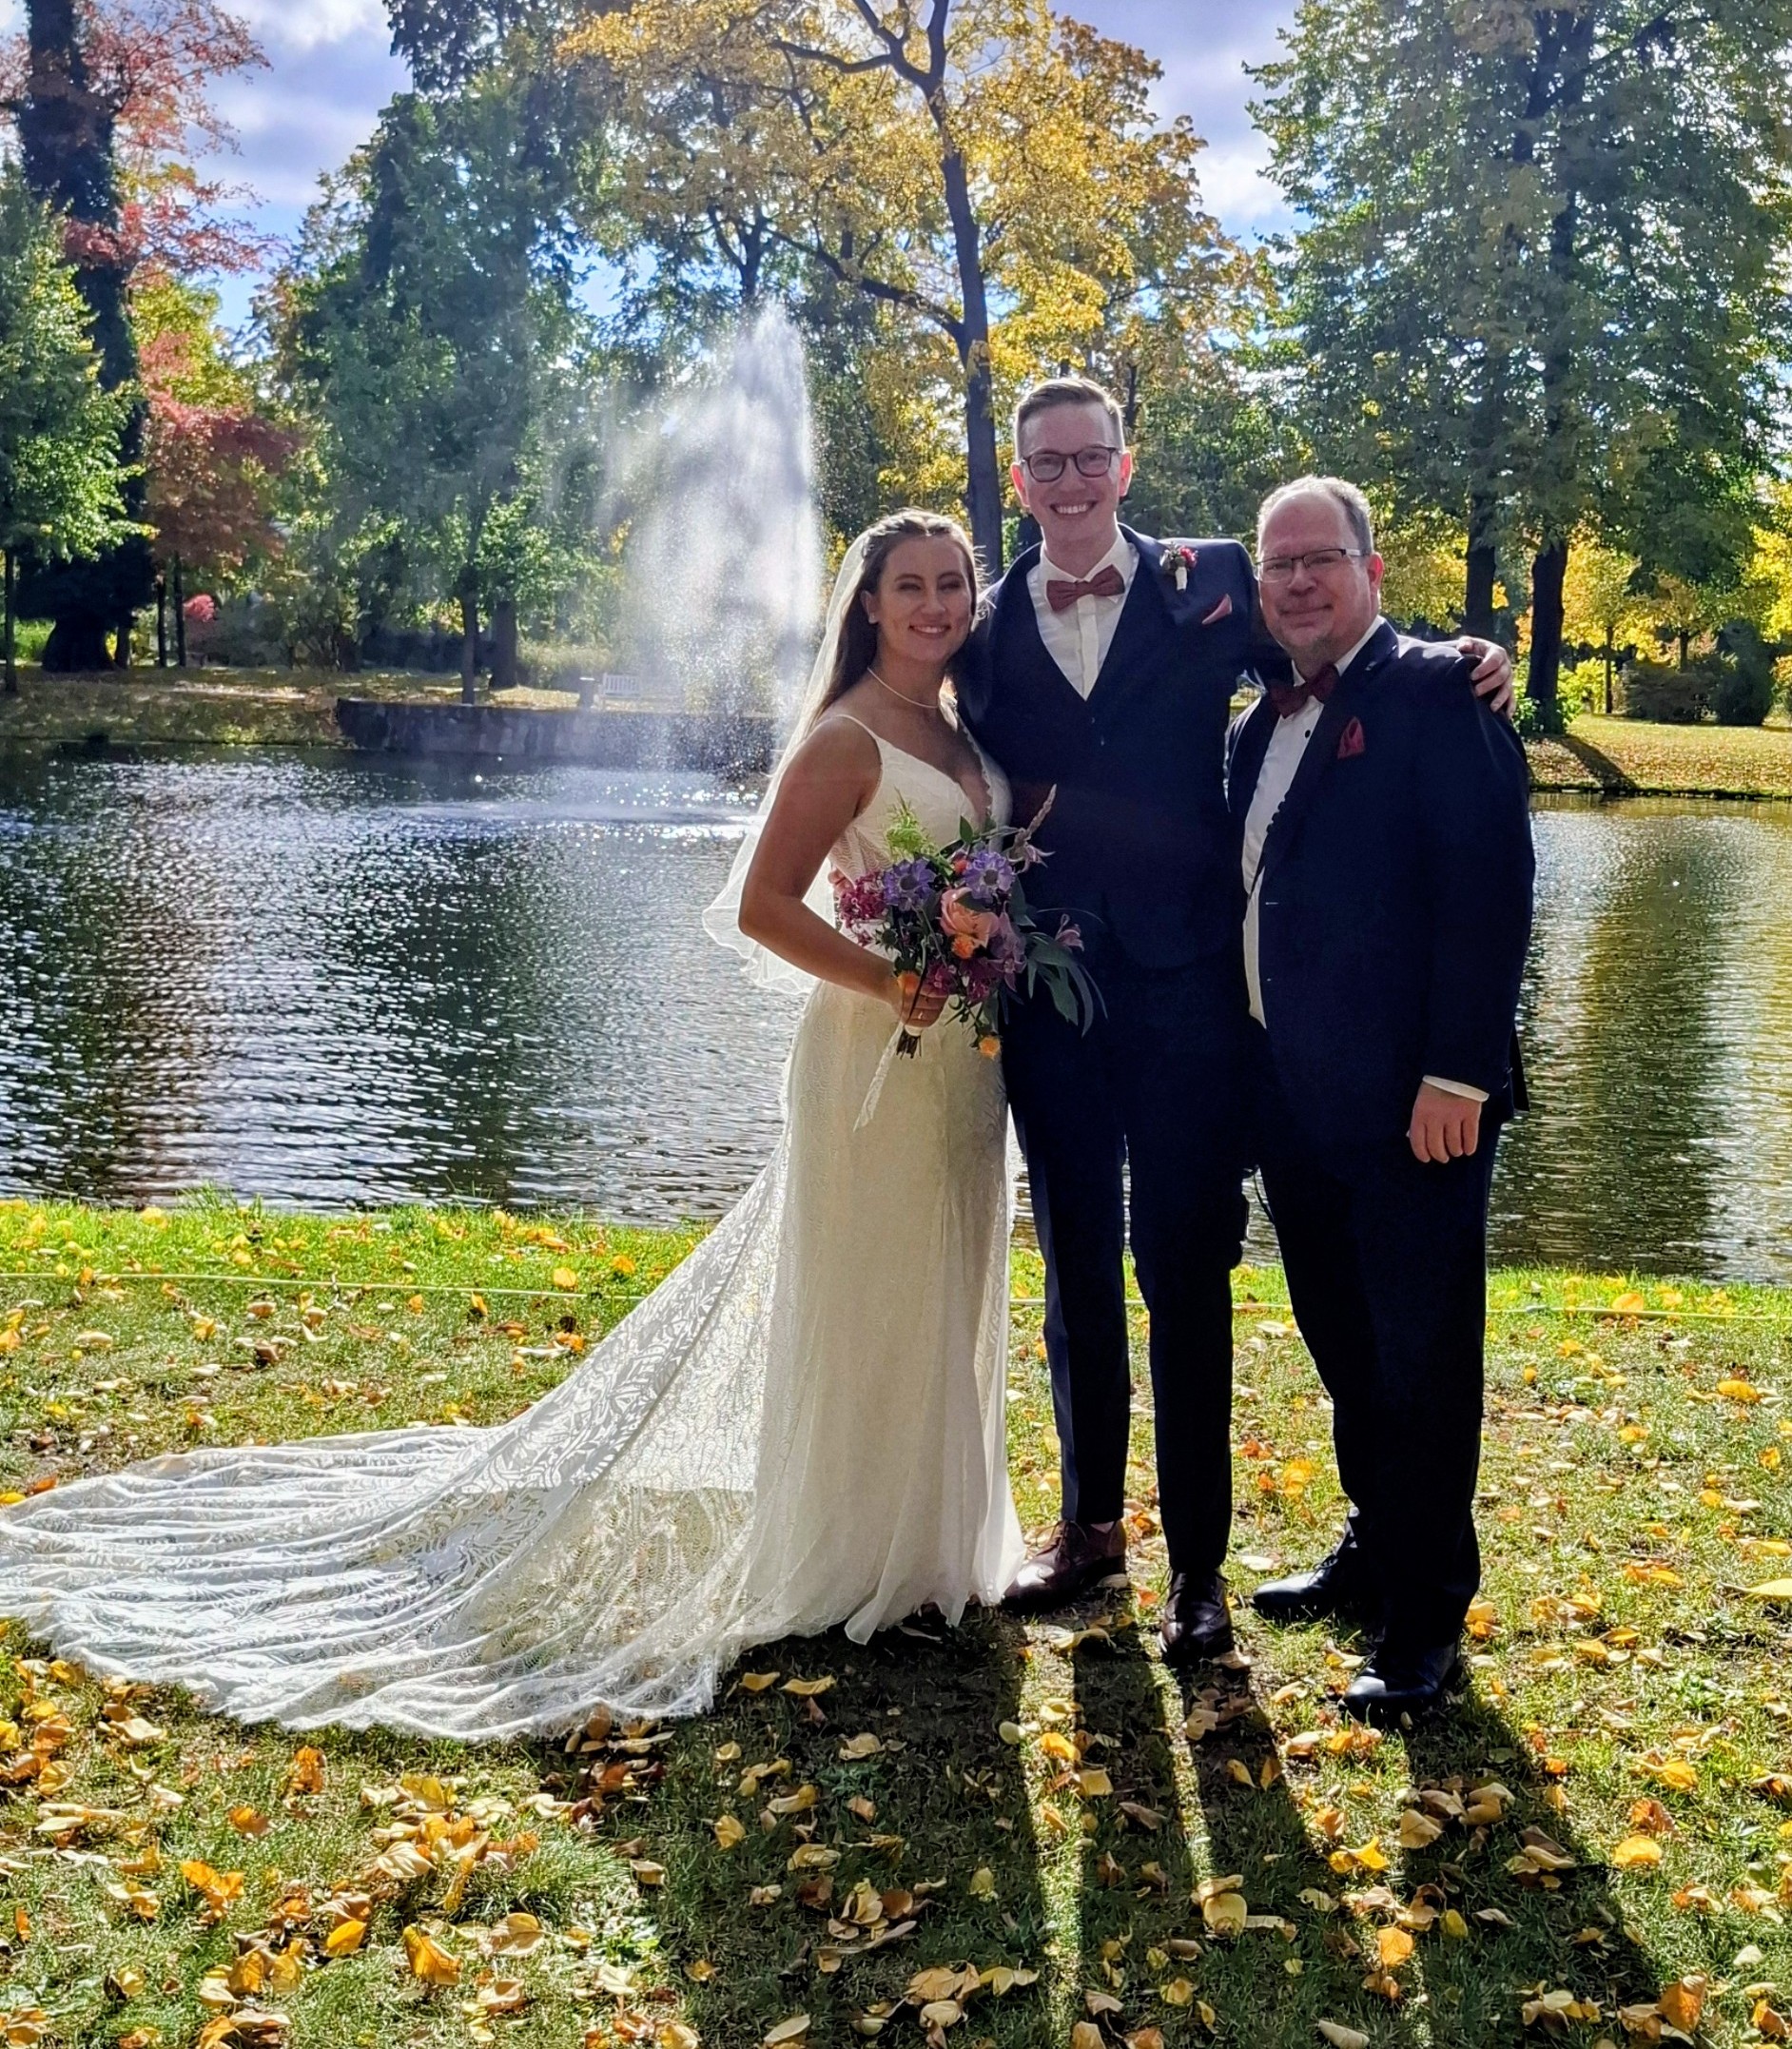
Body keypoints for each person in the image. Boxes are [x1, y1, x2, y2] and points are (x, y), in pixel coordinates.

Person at [0, 509, 1025, 1740]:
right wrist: (886, 977)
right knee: (874, 1284)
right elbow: (761, 903)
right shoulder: (846, 736)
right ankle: (857, 1552)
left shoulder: (959, 724)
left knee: (950, 1273)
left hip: (963, 1058)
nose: (934, 604)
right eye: (910, 585)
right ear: (868, 603)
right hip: (876, 1049)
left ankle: (938, 1542)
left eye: (952, 584)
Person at [956, 376, 1515, 1664]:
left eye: (1092, 457)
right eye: (1048, 462)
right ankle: (1092, 1522)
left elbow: (1342, 652)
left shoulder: (1213, 582)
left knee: (1184, 1266)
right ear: (1022, 479)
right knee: (1077, 1262)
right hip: (1046, 995)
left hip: (1192, 998)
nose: (1072, 480)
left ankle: (1196, 1570)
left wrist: (1462, 656)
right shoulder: (979, 629)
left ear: (1126, 466)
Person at [1229, 477, 1534, 1724]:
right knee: (1343, 1340)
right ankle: (1374, 1540)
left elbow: (1490, 889)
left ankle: (1427, 1619)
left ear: (1371, 568)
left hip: (1419, 1106)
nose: (1300, 580)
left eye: (1323, 558)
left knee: (1422, 1357)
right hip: (1293, 1099)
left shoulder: (1438, 693)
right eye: (1280, 563)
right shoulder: (1257, 725)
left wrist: (1460, 1071)